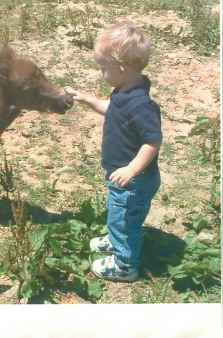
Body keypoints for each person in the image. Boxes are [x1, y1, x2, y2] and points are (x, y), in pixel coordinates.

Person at [65, 21, 163, 282]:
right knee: (119, 213)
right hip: (123, 178)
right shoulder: (126, 91)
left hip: (134, 180)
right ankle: (116, 237)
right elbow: (114, 110)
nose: (100, 73)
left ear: (120, 69)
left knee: (124, 219)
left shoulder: (142, 106)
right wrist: (88, 99)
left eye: (102, 68)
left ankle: (125, 265)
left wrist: (132, 169)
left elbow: (152, 141)